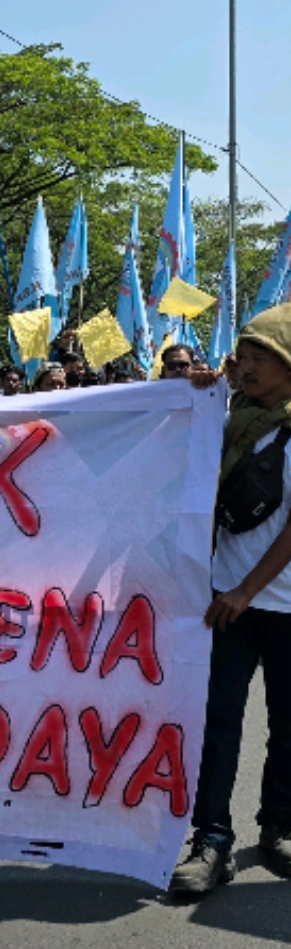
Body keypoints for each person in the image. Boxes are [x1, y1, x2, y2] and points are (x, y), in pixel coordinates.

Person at [170, 305, 291, 893]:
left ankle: (279, 827)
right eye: (240, 356)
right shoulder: (225, 418)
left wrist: (248, 588)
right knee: (217, 721)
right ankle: (211, 839)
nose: (242, 366)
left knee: (289, 726)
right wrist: (196, 394)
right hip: (227, 604)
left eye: (256, 357)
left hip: (273, 603)